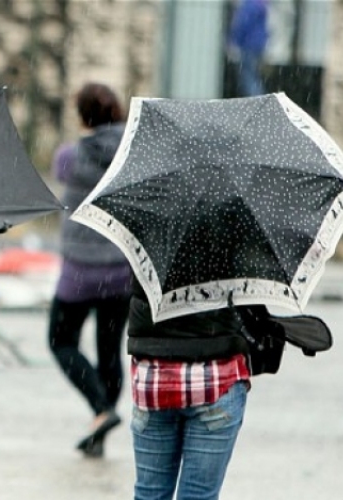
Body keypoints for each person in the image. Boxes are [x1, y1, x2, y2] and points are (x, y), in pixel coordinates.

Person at [47, 82, 132, 458]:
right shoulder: (133, 156)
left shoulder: (70, 157)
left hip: (79, 271)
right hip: (120, 270)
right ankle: (104, 419)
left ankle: (100, 409)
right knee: (109, 350)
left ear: (83, 116)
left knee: (61, 340)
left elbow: (60, 169)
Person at [127, 281, 252, 500]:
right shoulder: (232, 247)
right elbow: (250, 305)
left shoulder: (148, 247)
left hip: (154, 381)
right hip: (215, 378)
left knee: (150, 494)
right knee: (199, 496)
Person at [228, 0, 269, 97]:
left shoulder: (249, 5)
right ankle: (260, 99)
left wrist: (234, 40)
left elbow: (242, 24)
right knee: (254, 75)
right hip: (258, 44)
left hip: (248, 44)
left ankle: (257, 100)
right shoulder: (261, 5)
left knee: (248, 76)